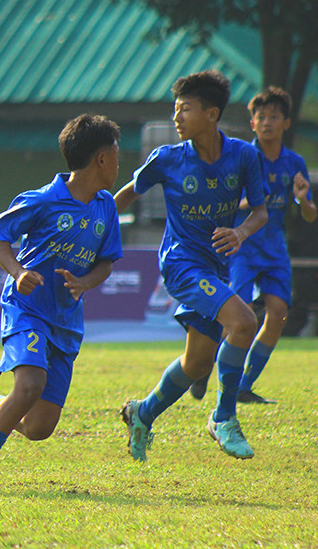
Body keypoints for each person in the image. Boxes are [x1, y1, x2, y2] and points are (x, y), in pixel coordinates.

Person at [0, 114, 123, 493]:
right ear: (101, 159)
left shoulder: (106, 207)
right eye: (116, 151)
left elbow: (107, 262)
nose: (118, 159)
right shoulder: (44, 199)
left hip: (65, 320)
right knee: (29, 386)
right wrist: (17, 273)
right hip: (26, 309)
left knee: (38, 427)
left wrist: (84, 283)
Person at [114, 70, 268, 462]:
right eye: (175, 110)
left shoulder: (245, 156)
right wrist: (90, 225)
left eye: (184, 110)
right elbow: (127, 194)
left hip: (216, 268)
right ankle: (224, 418)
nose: (176, 118)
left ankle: (141, 413)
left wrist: (240, 233)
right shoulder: (167, 158)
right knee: (245, 322)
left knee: (197, 361)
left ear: (211, 114)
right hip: (181, 264)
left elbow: (261, 213)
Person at [188, 87, 317, 403]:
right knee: (237, 313)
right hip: (242, 244)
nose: (267, 122)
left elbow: (310, 215)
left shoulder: (294, 162)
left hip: (274, 248)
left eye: (274, 116)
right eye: (261, 117)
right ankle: (203, 366)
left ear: (286, 123)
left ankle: (244, 386)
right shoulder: (242, 157)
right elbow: (222, 201)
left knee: (278, 314)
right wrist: (243, 202)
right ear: (252, 123)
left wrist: (302, 200)